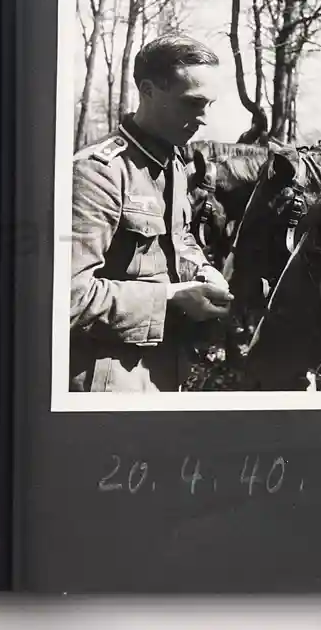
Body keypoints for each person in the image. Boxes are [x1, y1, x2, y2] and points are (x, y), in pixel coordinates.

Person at [70, 34, 235, 393]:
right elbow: (68, 297)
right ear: (147, 90)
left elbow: (178, 237)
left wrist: (203, 270)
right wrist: (173, 298)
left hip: (164, 370)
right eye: (192, 103)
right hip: (109, 379)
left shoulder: (172, 161)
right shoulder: (98, 173)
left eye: (210, 104)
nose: (204, 119)